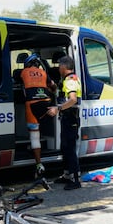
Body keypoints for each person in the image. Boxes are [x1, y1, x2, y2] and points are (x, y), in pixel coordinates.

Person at [47, 55, 82, 190]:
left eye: (59, 66)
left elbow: (72, 100)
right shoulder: (66, 80)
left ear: (63, 66)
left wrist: (58, 108)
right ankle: (67, 175)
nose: (58, 68)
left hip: (71, 118)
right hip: (67, 118)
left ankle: (75, 180)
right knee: (65, 147)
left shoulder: (71, 80)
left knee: (70, 148)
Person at [20, 53, 57, 177]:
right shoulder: (44, 73)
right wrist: (50, 91)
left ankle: (39, 164)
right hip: (45, 104)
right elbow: (54, 86)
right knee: (42, 129)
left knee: (34, 134)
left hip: (32, 104)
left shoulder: (23, 72)